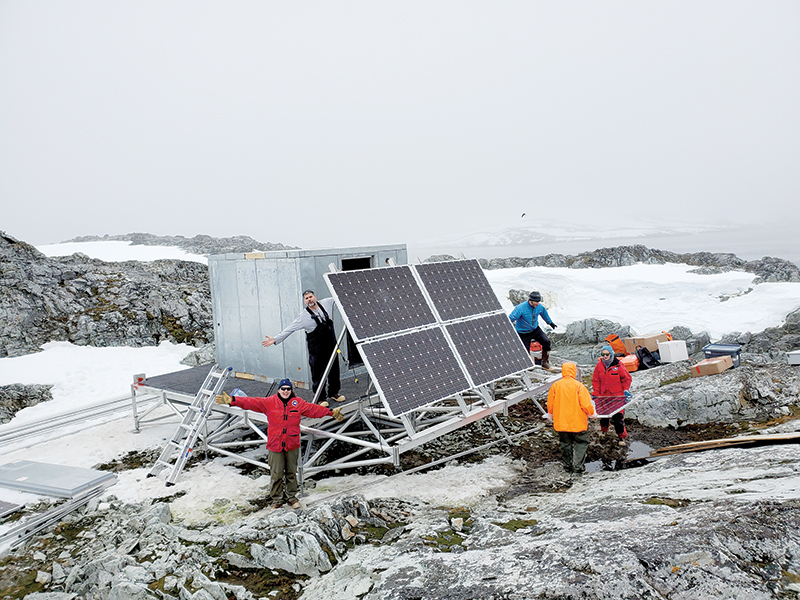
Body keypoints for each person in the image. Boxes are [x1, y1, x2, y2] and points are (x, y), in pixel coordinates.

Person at [216, 379, 343, 509]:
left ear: (291, 390)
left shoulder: (298, 403)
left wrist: (331, 413)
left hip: (292, 444)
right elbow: (251, 402)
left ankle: (291, 498)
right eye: (283, 389)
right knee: (276, 473)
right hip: (275, 444)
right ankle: (276, 499)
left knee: (291, 473)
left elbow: (313, 410)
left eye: (288, 389)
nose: (286, 391)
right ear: (279, 390)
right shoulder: (269, 402)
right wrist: (232, 400)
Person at [263, 290, 345, 403]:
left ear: (315, 297)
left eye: (310, 297)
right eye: (306, 298)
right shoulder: (303, 316)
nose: (309, 299)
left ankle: (333, 393)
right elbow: (289, 329)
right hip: (317, 351)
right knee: (318, 374)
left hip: (332, 347)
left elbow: (340, 296)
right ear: (304, 301)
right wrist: (275, 339)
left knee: (334, 371)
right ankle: (321, 398)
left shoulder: (327, 303)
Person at [547, 362, 596, 474]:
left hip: (561, 424)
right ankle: (577, 467)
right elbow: (586, 404)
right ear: (574, 371)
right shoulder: (579, 386)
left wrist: (551, 414)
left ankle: (568, 467)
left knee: (565, 444)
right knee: (581, 443)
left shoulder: (556, 386)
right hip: (578, 423)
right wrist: (592, 413)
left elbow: (550, 404)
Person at [591, 344, 633, 441]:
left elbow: (626, 379)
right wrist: (596, 393)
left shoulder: (618, 365)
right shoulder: (599, 365)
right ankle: (604, 431)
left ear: (611, 354)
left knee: (618, 418)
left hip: (617, 397)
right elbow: (595, 381)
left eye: (607, 354)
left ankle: (622, 437)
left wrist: (626, 390)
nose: (605, 356)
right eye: (603, 354)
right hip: (603, 397)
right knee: (604, 417)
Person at [509, 291, 557, 370]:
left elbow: (544, 314)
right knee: (525, 351)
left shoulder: (539, 306)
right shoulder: (520, 308)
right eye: (536, 302)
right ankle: (527, 367)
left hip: (535, 330)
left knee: (546, 342)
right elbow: (511, 318)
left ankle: (545, 362)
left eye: (538, 302)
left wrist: (550, 323)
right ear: (530, 300)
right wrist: (506, 326)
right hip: (523, 333)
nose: (537, 304)